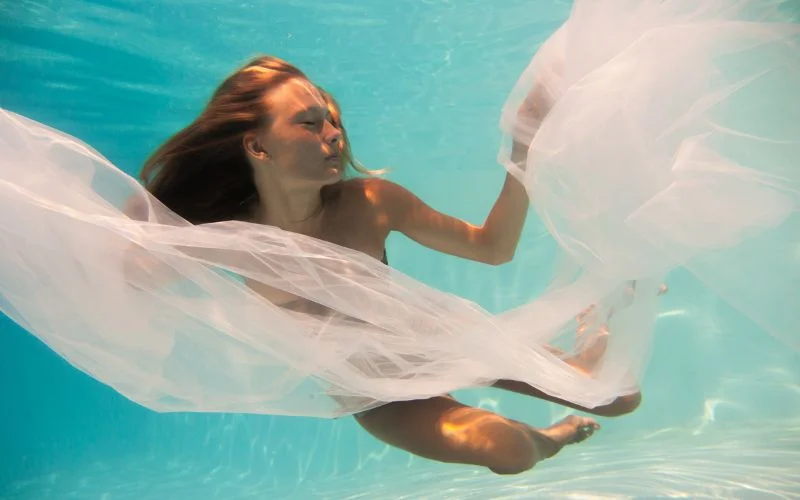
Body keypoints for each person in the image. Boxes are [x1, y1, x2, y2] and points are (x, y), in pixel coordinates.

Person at [139, 55, 641, 475]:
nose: (333, 135)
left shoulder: (373, 202)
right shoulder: (230, 237)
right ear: (257, 145)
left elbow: (493, 247)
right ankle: (552, 437)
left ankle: (594, 330)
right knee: (511, 451)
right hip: (374, 394)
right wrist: (128, 221)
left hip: (445, 343)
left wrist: (523, 150)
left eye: (333, 121)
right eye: (309, 123)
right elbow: (133, 271)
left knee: (618, 399)